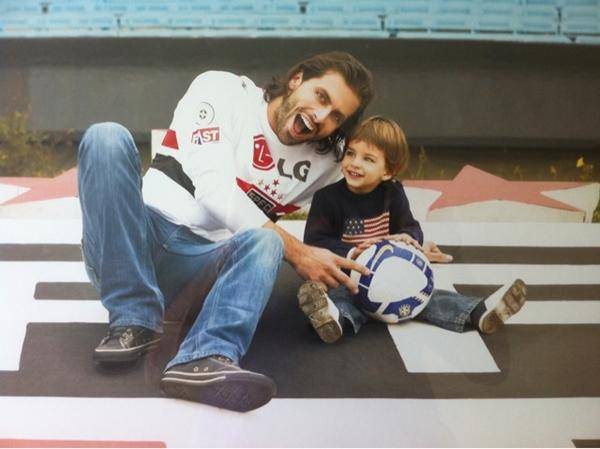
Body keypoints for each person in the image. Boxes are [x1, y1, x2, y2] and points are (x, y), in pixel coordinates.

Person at [77, 52, 375, 412]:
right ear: (297, 78)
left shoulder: (330, 158)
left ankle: (203, 358)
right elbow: (214, 190)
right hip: (131, 246)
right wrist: (299, 252)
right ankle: (133, 318)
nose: (322, 117)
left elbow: (374, 187)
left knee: (266, 240)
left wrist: (407, 239)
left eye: (336, 117)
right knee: (105, 138)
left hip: (201, 271)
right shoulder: (221, 89)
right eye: (321, 97)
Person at [298, 116, 527, 343]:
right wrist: (353, 253)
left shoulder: (393, 193)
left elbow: (410, 226)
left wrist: (407, 238)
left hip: (393, 280)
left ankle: (478, 313)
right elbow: (314, 242)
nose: (354, 163)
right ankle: (334, 320)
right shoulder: (327, 198)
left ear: (387, 171)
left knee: (427, 297)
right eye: (350, 153)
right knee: (339, 297)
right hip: (348, 279)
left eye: (368, 159)